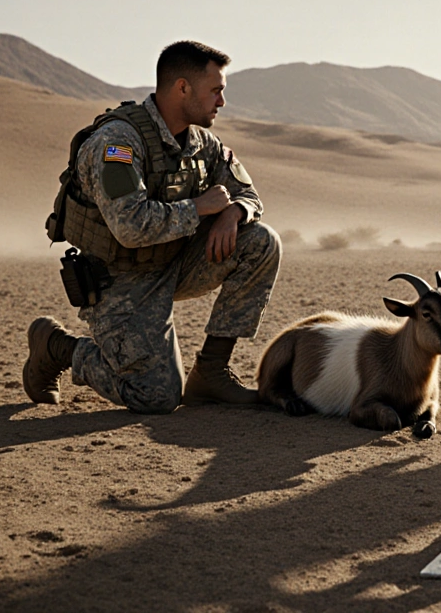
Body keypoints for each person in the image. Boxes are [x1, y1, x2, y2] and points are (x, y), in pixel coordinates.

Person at [24, 41, 282, 413]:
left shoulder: (202, 143)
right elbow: (130, 225)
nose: (221, 103)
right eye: (216, 91)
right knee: (155, 396)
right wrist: (200, 207)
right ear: (182, 88)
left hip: (174, 264)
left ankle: (210, 372)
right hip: (120, 280)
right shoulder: (117, 142)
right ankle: (56, 346)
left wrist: (233, 212)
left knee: (261, 241)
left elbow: (249, 194)